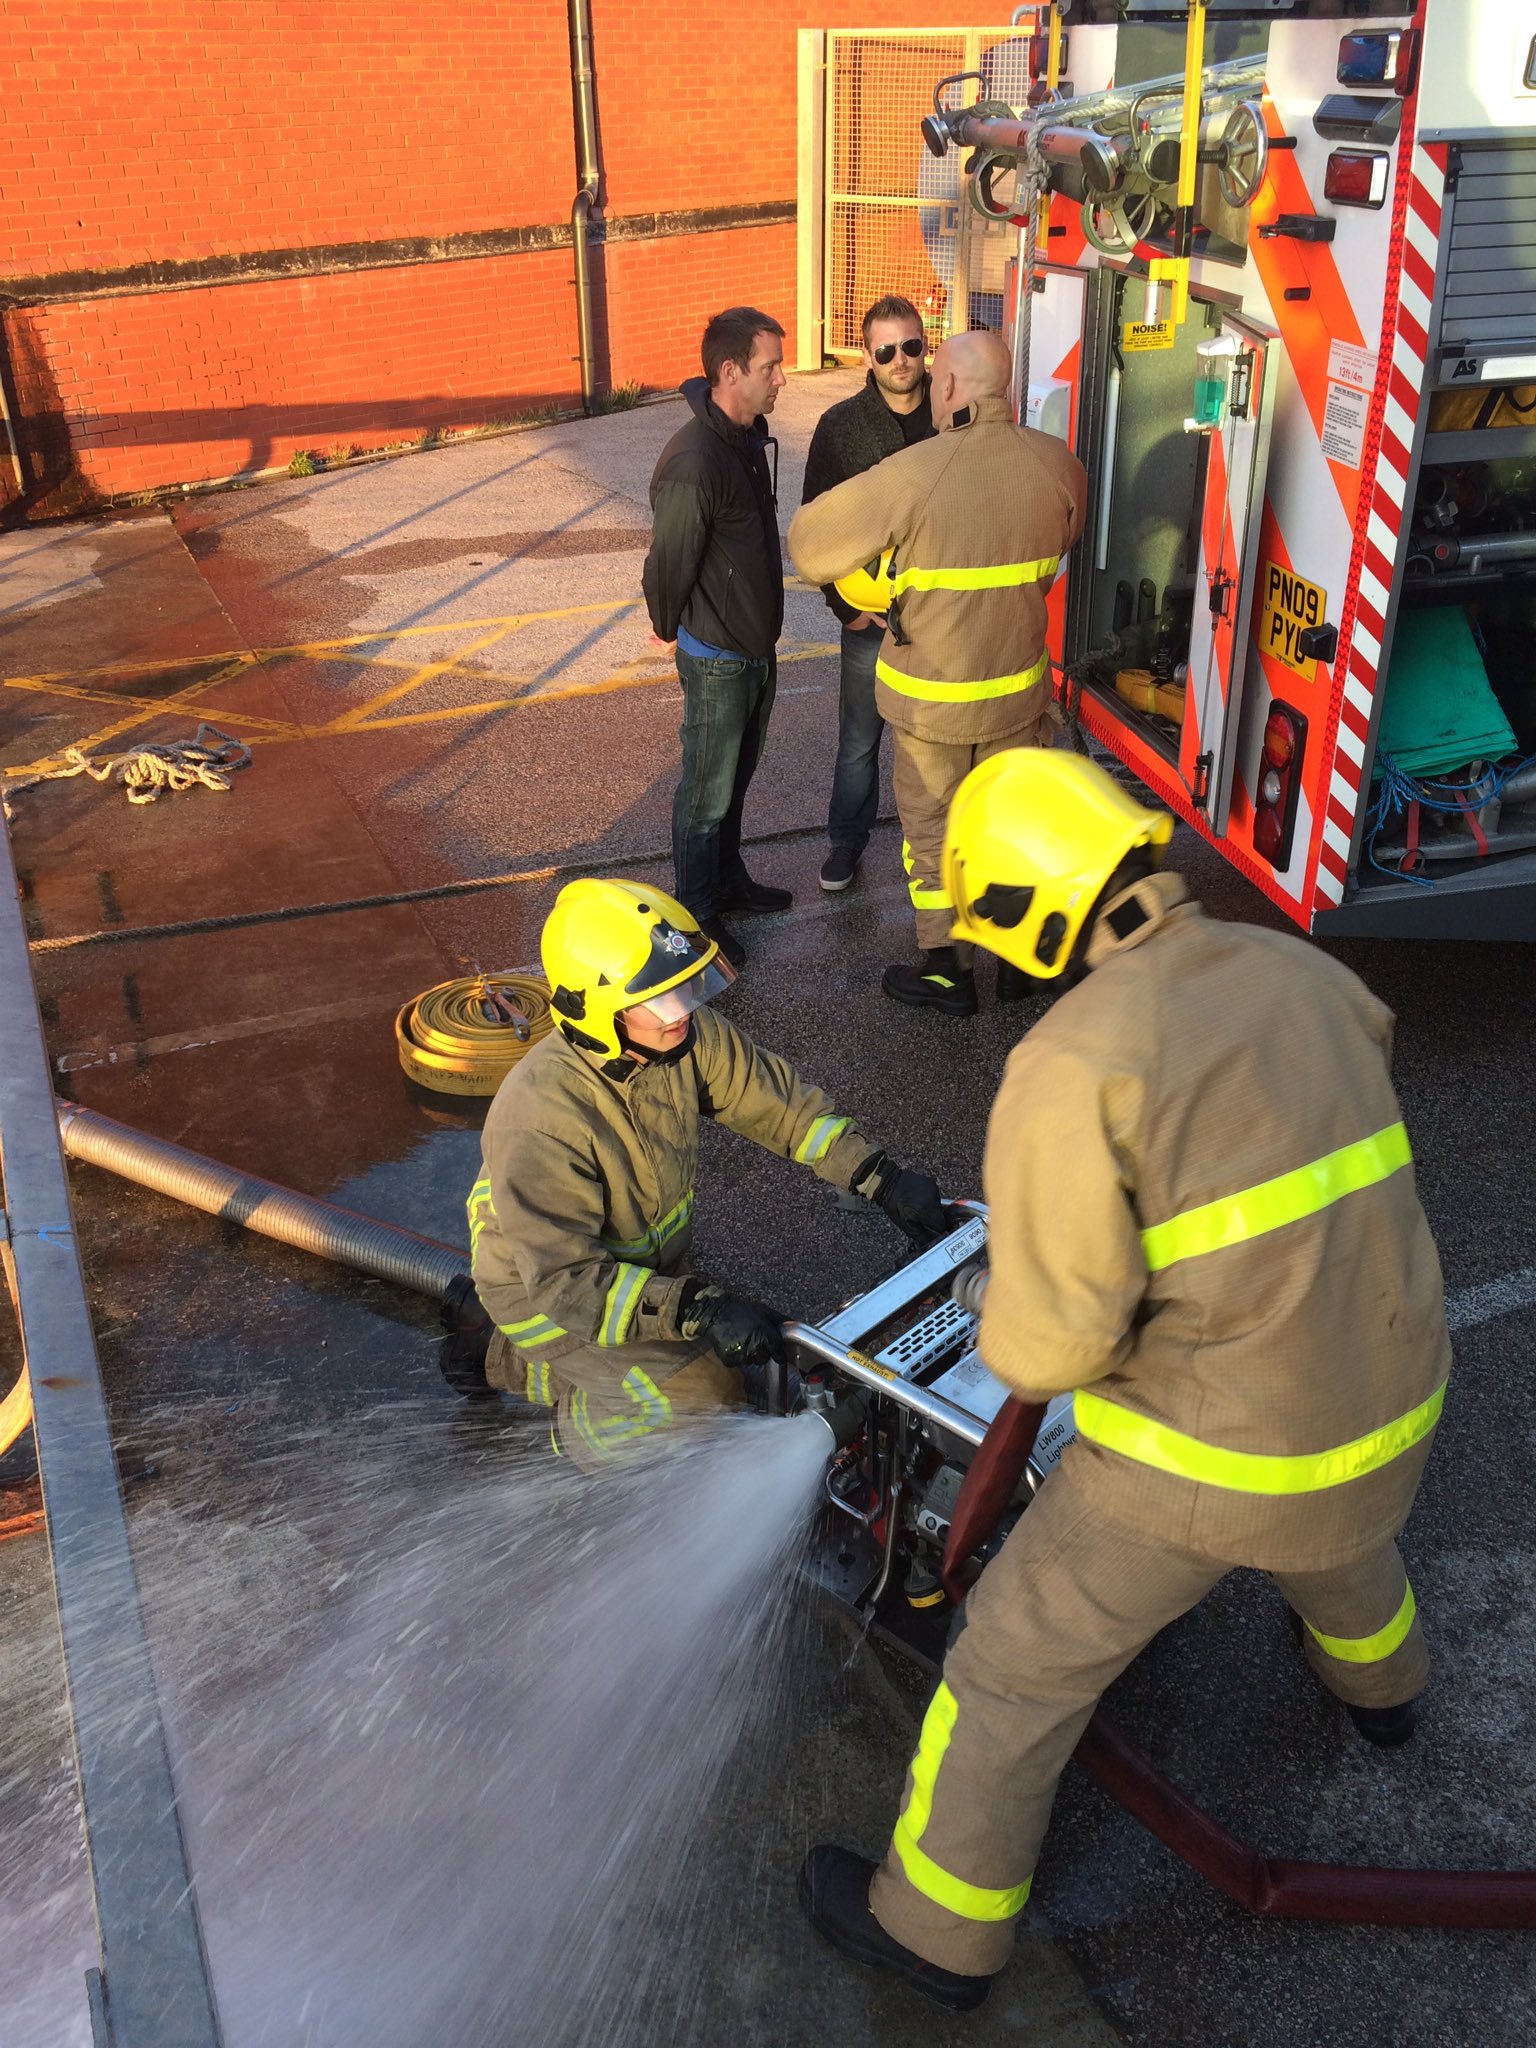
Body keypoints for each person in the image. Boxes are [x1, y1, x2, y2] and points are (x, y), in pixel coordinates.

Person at [799, 750, 1452, 2012]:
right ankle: (1386, 1693)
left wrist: (1001, 1295)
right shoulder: (1306, 972)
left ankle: (936, 1928)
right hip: (1395, 1395)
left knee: (1015, 1657)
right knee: (1339, 1533)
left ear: (1034, 913)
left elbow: (1050, 1354)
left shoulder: (1074, 1060)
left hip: (1217, 1461)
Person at [439, 877, 948, 1468]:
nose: (682, 1010)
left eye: (684, 987)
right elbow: (566, 1284)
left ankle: (564, 1367)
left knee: (732, 1362)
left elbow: (775, 1104)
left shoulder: (673, 1038)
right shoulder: (540, 1117)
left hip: (637, 1274)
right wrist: (694, 1308)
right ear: (596, 1008)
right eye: (660, 997)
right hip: (546, 1295)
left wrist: (879, 1177)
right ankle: (563, 1434)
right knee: (702, 1401)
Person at [788, 329, 1088, 1016]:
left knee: (934, 836)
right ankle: (1021, 964)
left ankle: (949, 970)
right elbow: (1061, 541)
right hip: (1018, 695)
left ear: (947, 388)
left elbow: (809, 547)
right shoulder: (1058, 465)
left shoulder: (916, 471)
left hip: (932, 707)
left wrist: (885, 576)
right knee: (1011, 826)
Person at [642, 307, 791, 971]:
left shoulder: (743, 438)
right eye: (770, 367)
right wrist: (663, 622)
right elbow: (669, 558)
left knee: (733, 780)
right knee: (705, 794)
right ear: (730, 372)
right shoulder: (696, 459)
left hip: (754, 650)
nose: (781, 380)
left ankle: (727, 883)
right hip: (719, 659)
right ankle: (696, 917)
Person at [801, 295, 936, 895]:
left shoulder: (956, 412)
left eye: (911, 346)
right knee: (860, 739)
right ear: (867, 355)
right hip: (871, 622)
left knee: (932, 742)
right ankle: (845, 845)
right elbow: (815, 526)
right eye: (887, 350)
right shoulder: (839, 428)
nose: (901, 360)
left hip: (941, 615)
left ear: (925, 343)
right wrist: (845, 609)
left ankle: (933, 852)